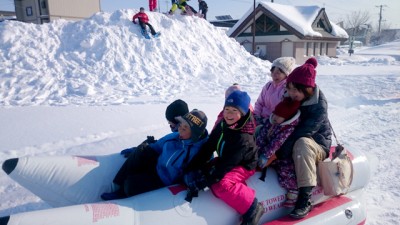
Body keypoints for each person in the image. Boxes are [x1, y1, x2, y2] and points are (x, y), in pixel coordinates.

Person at [184, 90, 264, 225]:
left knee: (221, 185)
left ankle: (252, 207)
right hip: (226, 159)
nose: (229, 114)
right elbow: (208, 147)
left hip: (243, 165)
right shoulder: (223, 125)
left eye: (234, 110)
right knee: (203, 171)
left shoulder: (243, 137)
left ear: (243, 113)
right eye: (227, 109)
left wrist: (206, 182)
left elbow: (228, 164)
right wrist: (192, 167)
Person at [101, 109, 208, 200]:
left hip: (165, 181)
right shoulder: (174, 136)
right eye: (181, 124)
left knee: (131, 185)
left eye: (186, 127)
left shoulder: (199, 150)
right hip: (157, 167)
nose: (180, 128)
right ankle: (116, 186)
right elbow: (157, 146)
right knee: (142, 149)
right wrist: (137, 151)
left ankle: (122, 196)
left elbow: (200, 170)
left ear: (194, 134)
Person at [275, 57, 332, 219]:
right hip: (295, 140)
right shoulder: (290, 98)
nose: (292, 93)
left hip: (317, 144)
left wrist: (278, 153)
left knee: (302, 144)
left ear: (307, 89)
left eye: (296, 90)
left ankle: (304, 199)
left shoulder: (318, 104)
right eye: (290, 88)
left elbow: (303, 132)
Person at [256, 97, 301, 208]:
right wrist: (256, 151)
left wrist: (266, 156)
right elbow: (262, 136)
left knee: (286, 170)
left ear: (287, 118)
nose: (275, 117)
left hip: (282, 157)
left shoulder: (288, 129)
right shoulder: (271, 122)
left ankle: (293, 191)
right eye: (275, 114)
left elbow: (277, 143)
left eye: (279, 116)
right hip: (268, 154)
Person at [120, 99, 189, 157]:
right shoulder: (194, 131)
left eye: (169, 121)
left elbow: (157, 147)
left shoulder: (175, 137)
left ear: (176, 120)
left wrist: (137, 151)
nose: (168, 123)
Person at [254, 57, 296, 126]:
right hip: (261, 120)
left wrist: (272, 121)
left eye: (278, 73)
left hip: (274, 123)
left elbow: (284, 111)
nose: (274, 75)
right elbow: (259, 102)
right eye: (272, 72)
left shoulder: (287, 90)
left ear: (286, 74)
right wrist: (256, 116)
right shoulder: (268, 85)